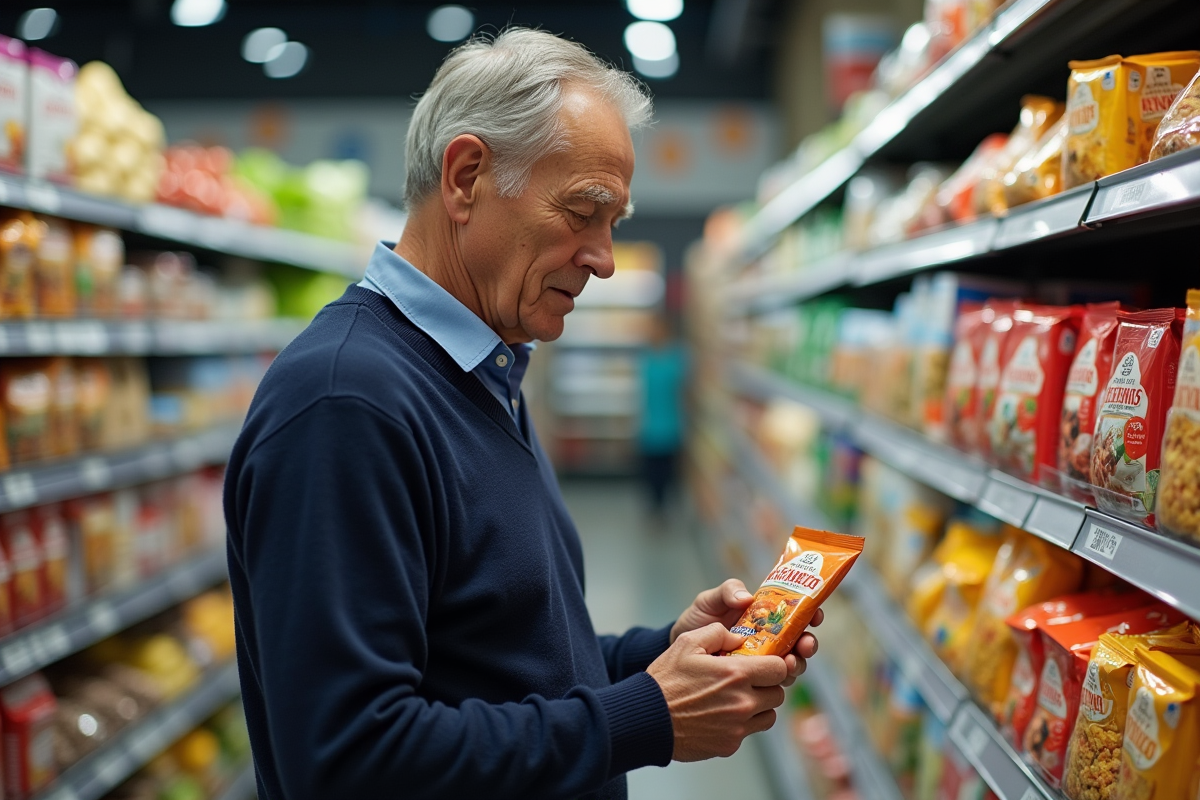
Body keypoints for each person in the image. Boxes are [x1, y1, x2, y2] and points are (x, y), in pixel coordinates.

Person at [224, 28, 823, 800]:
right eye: (583, 211)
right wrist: (645, 717)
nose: (605, 258)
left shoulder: (482, 371)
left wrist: (664, 657)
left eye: (615, 223)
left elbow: (507, 659)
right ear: (467, 177)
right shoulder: (347, 403)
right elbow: (347, 761)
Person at [637, 314, 689, 520]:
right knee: (650, 473)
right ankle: (654, 508)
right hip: (649, 427)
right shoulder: (646, 356)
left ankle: (662, 508)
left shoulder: (677, 358)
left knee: (666, 472)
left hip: (670, 426)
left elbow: (684, 391)